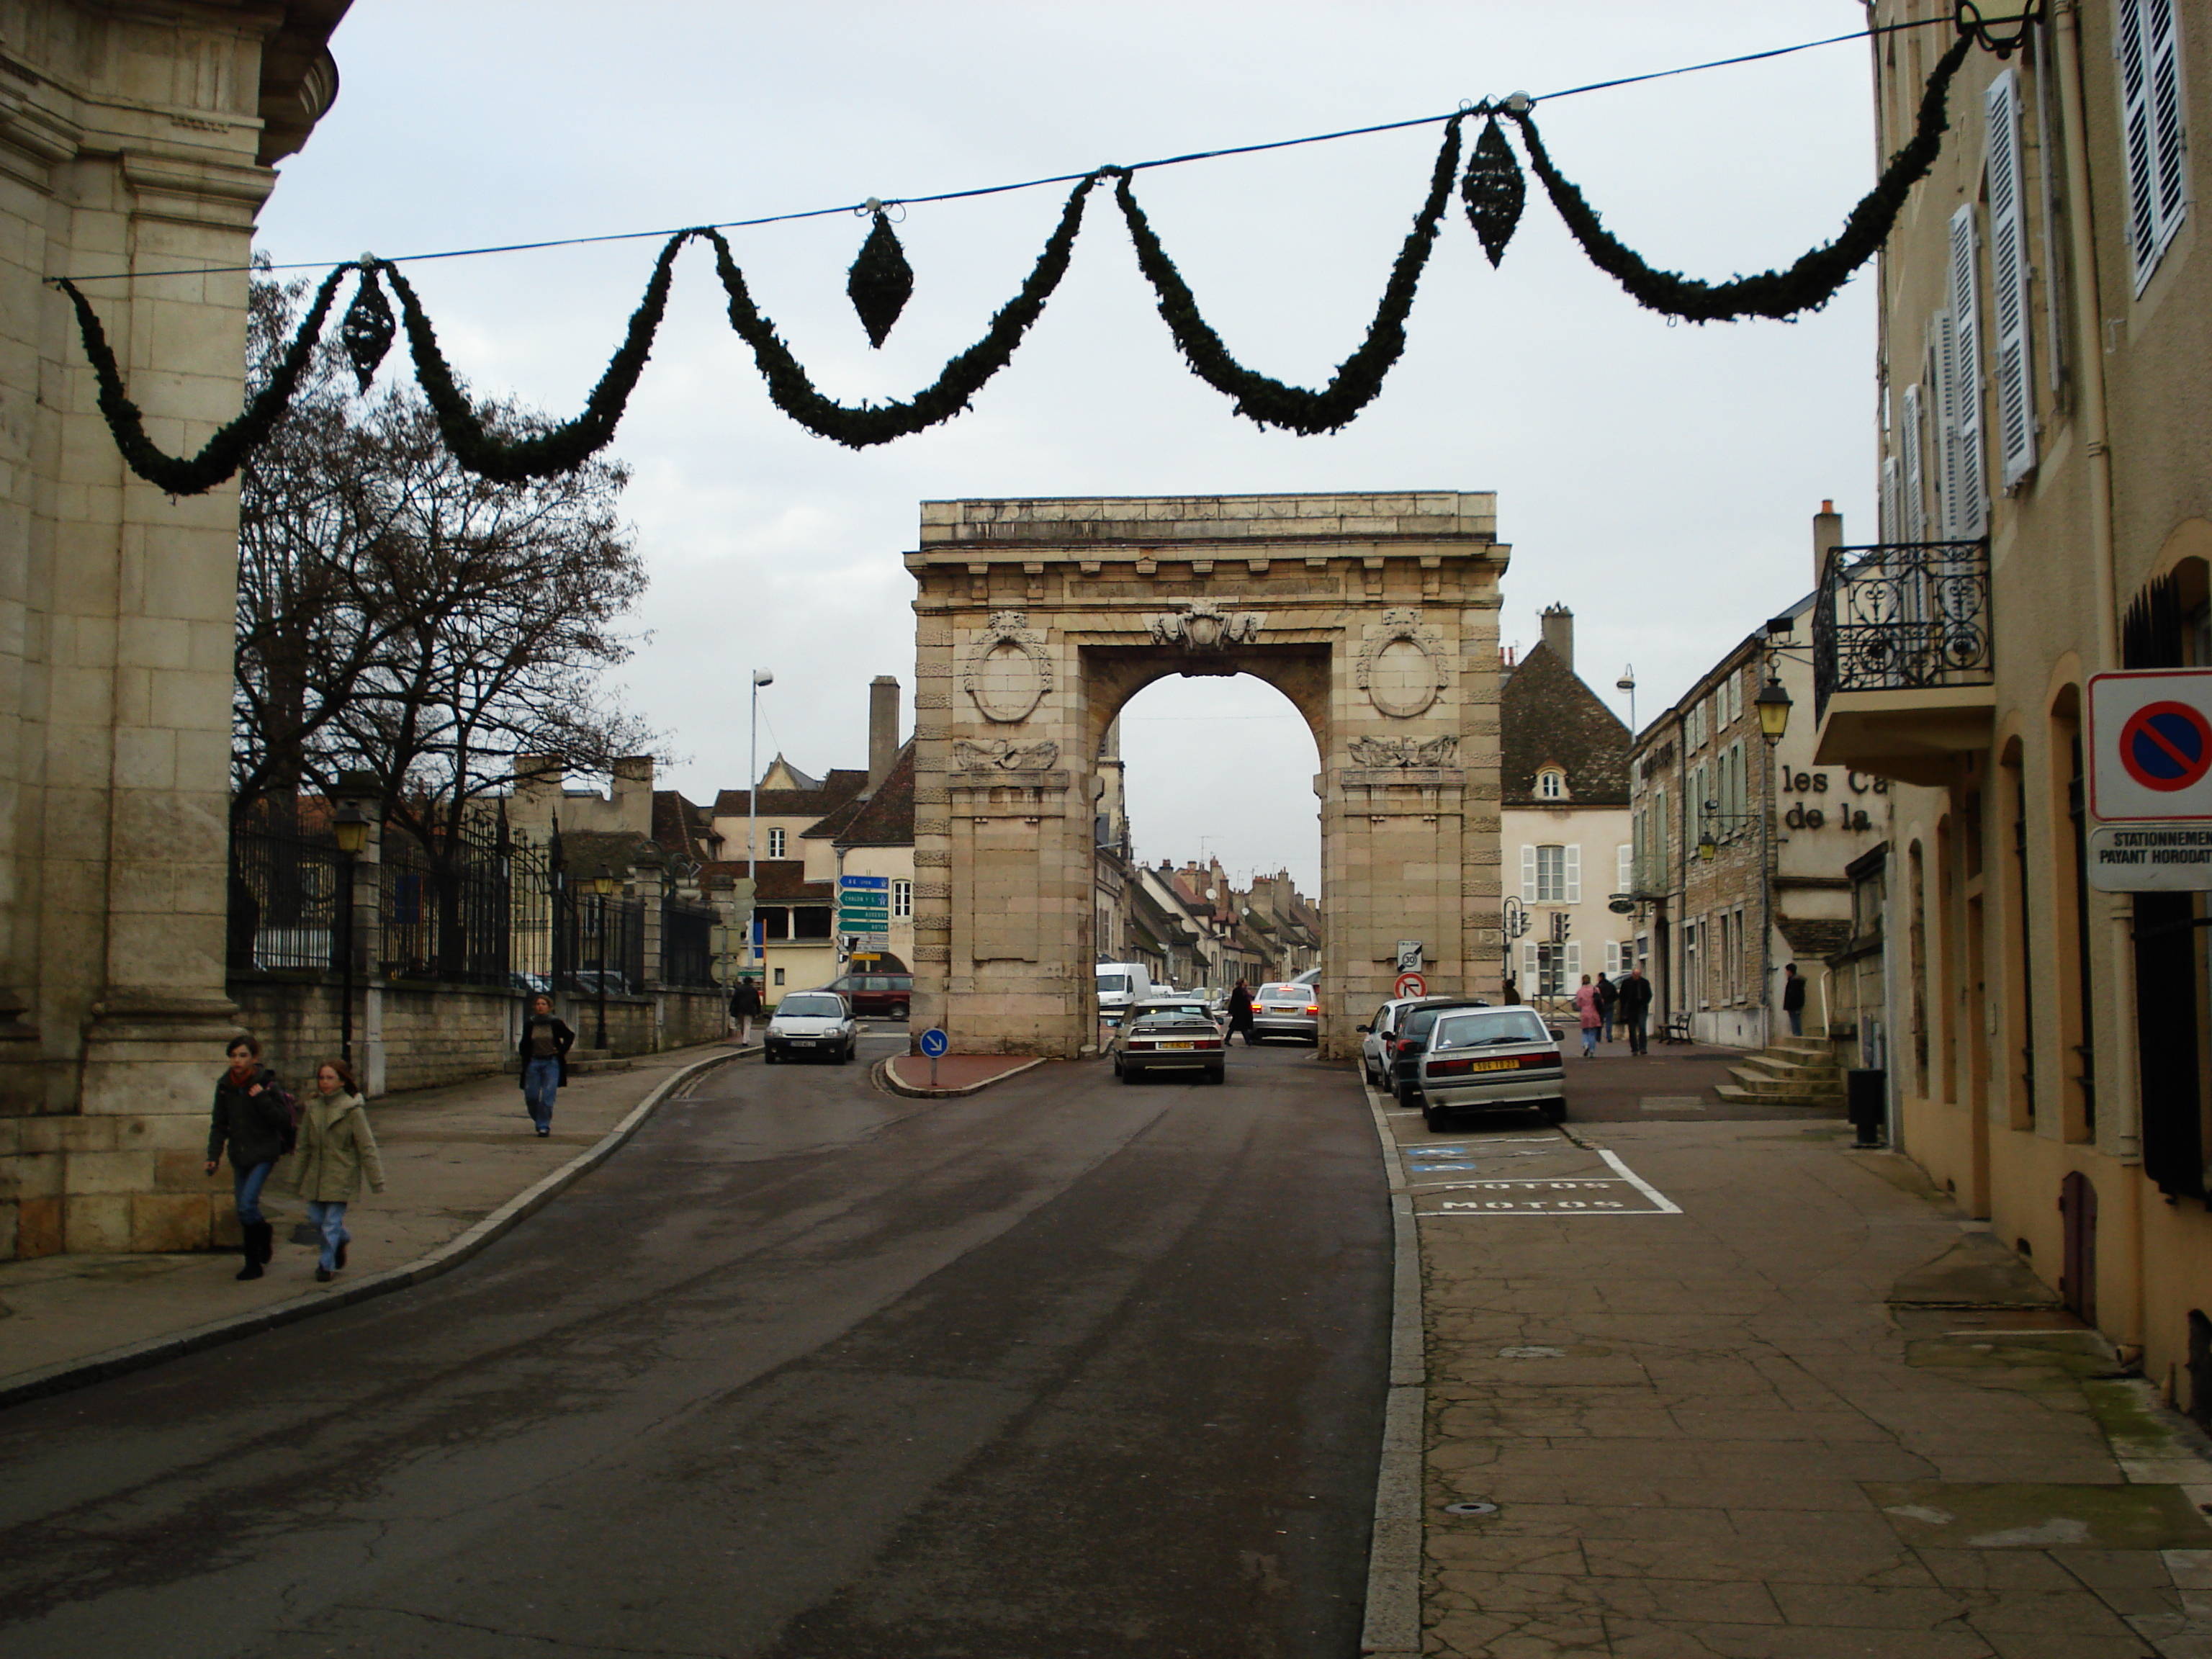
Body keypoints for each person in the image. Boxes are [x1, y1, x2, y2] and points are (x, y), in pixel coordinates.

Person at [277, 1058, 386, 1282]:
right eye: (321, 1078)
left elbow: (366, 1146)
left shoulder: (352, 1110)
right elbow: (304, 1147)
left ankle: (326, 1265)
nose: (325, 1082)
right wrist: (295, 1179)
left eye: (330, 1078)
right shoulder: (313, 1108)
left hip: (341, 1174)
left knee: (330, 1223)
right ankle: (342, 1239)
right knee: (317, 1218)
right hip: (317, 1175)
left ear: (342, 1082)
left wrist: (377, 1180)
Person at [204, 1035, 292, 1280]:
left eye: (243, 1056)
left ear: (254, 1058)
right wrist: (213, 1155)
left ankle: (253, 1263)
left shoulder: (266, 1084)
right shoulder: (225, 1087)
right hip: (240, 1155)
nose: (237, 1061)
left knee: (247, 1205)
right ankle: (263, 1233)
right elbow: (219, 1124)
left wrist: (261, 1098)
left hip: (264, 1152)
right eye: (233, 1056)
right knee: (244, 1210)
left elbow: (283, 1121)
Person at [518, 993, 575, 1138]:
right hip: (534, 1062)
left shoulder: (555, 1023)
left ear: (549, 1007)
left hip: (551, 1062)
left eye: (543, 1004)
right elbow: (525, 1042)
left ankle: (543, 1126)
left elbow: (569, 1036)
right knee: (531, 1096)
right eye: (538, 1004)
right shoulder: (530, 1023)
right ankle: (539, 1119)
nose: (540, 1007)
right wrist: (525, 1056)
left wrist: (561, 1051)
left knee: (547, 1096)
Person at [1618, 966, 1654, 1056]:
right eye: (1636, 975)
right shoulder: (1626, 983)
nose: (1637, 977)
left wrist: (1645, 1003)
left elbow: (1649, 994)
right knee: (1632, 1030)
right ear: (1632, 974)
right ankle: (1634, 1048)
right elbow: (1622, 997)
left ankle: (1643, 1048)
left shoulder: (1644, 983)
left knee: (1642, 1028)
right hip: (1630, 1009)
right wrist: (1623, 1010)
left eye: (1639, 975)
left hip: (1641, 1008)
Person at [1573, 974, 1602, 1058]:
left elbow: (1579, 1004)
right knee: (1593, 1032)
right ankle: (1592, 1050)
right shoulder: (1595, 989)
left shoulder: (1580, 991)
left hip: (1585, 1012)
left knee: (1585, 1031)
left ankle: (1585, 1044)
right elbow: (1600, 1001)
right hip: (1594, 1012)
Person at [730, 974, 763, 1046]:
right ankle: (745, 1040)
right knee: (748, 1024)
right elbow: (757, 1001)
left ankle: (745, 1038)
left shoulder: (739, 989)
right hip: (749, 1010)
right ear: (751, 982)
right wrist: (758, 1011)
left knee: (742, 1025)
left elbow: (734, 1000)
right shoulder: (753, 990)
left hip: (740, 1010)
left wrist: (732, 1010)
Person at [1225, 978, 1257, 1047]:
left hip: (1244, 1012)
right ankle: (1248, 1041)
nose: (1247, 982)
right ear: (1242, 982)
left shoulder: (1245, 990)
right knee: (1241, 1027)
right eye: (1245, 981)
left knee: (1237, 1027)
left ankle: (1227, 1039)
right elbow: (1234, 1001)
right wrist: (1231, 1011)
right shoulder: (1237, 991)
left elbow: (1249, 999)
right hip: (1239, 1012)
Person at [1781, 963, 1807, 1038]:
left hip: (1794, 1005)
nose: (1786, 973)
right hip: (1795, 1005)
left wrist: (1789, 1005)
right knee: (1795, 1021)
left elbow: (1793, 995)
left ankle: (1797, 1035)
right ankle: (1796, 1034)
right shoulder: (1795, 981)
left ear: (1790, 971)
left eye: (1787, 971)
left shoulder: (1794, 982)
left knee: (1795, 1021)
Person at [1593, 971, 1617, 1043]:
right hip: (1610, 1004)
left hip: (1600, 1006)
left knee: (1600, 1022)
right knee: (1609, 1021)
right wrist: (1611, 1000)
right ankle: (1609, 1036)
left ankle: (1598, 1037)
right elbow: (1616, 995)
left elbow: (1595, 996)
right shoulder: (1611, 985)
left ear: (1600, 978)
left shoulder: (1598, 986)